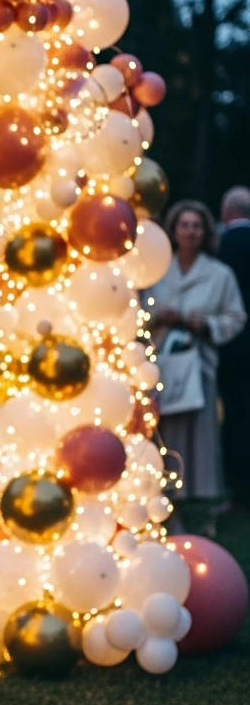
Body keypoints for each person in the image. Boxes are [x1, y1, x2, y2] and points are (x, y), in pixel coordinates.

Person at [148, 200, 246, 520]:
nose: (190, 232)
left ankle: (196, 490)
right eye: (184, 225)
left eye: (197, 226)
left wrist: (207, 324)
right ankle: (164, 489)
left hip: (199, 362)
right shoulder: (157, 271)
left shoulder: (219, 275)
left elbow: (236, 316)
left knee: (198, 427)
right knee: (164, 424)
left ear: (205, 231)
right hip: (161, 360)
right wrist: (156, 316)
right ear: (174, 230)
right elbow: (135, 311)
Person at [217, 186, 250, 509]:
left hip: (235, 345)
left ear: (227, 213)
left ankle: (240, 488)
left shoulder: (223, 246)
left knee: (238, 415)